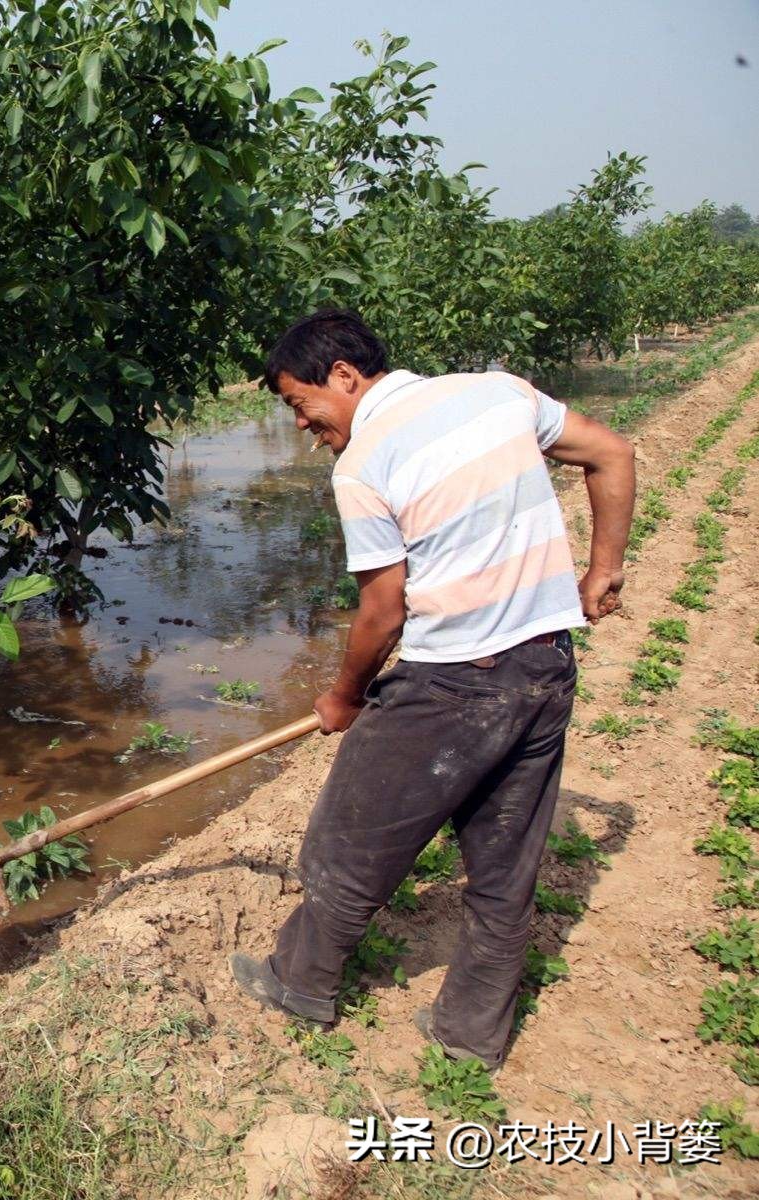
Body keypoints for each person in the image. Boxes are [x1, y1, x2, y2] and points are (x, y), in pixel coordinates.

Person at [228, 309, 635, 1071]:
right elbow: (611, 452)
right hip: (544, 665)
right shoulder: (499, 392)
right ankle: (471, 1034)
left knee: (347, 842)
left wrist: (344, 696)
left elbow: (382, 610)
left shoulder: (363, 462)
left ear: (343, 375)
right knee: (503, 867)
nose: (301, 425)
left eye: (299, 404)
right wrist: (602, 570)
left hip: (453, 681)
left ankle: (299, 981)